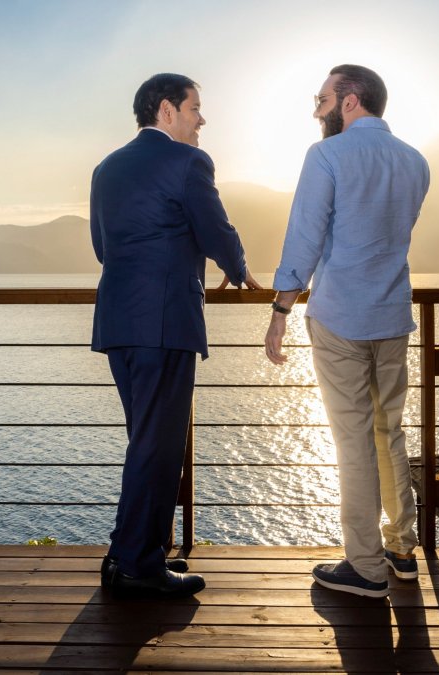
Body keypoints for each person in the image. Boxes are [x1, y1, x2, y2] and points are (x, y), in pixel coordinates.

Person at [91, 73, 261, 598]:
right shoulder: (189, 163)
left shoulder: (106, 167)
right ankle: (137, 565)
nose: (202, 119)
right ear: (167, 110)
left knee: (145, 441)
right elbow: (215, 230)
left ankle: (125, 556)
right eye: (195, 108)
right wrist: (237, 266)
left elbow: (102, 246)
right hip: (165, 322)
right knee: (158, 446)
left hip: (120, 321)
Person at [265, 64, 430, 598]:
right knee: (390, 432)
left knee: (353, 441)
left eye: (322, 99)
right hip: (391, 316)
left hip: (340, 317)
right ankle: (402, 550)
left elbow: (305, 236)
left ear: (350, 101)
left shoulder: (327, 156)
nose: (317, 110)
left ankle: (364, 567)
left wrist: (281, 308)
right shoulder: (415, 162)